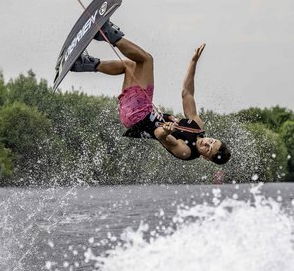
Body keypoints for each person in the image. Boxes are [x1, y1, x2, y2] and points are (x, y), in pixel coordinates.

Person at [70, 21, 231, 164]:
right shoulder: (198, 126)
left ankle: (105, 32)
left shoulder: (186, 152)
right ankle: (83, 64)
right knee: (130, 66)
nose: (207, 144)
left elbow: (160, 135)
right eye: (212, 141)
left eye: (209, 149)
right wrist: (193, 62)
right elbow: (187, 93)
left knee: (146, 60)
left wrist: (166, 131)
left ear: (206, 157)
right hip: (136, 112)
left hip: (139, 115)